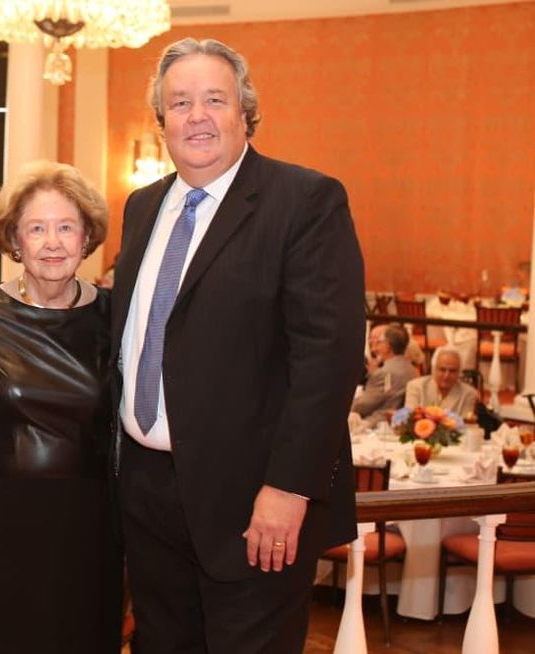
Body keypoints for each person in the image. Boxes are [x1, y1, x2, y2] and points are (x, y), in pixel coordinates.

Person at [112, 38, 365, 652]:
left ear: (245, 112)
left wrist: (290, 488)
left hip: (255, 505)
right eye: (179, 103)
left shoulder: (305, 201)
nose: (196, 116)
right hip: (147, 496)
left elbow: (327, 361)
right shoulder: (143, 207)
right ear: (161, 122)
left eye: (213, 99)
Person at [0, 161, 121, 653]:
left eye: (66, 227)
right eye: (36, 229)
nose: (52, 242)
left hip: (85, 525)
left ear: (87, 238)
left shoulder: (115, 316)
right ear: (14, 240)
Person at [352, 322, 417, 425]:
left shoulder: (384, 373)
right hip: (400, 422)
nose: (376, 347)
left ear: (387, 346)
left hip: (377, 424)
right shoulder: (412, 369)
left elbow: (363, 406)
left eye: (379, 342)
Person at [404, 347, 478, 417]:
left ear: (459, 372)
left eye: (452, 371)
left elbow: (466, 426)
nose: (446, 376)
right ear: (433, 369)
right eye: (442, 370)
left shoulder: (468, 394)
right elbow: (409, 420)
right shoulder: (416, 387)